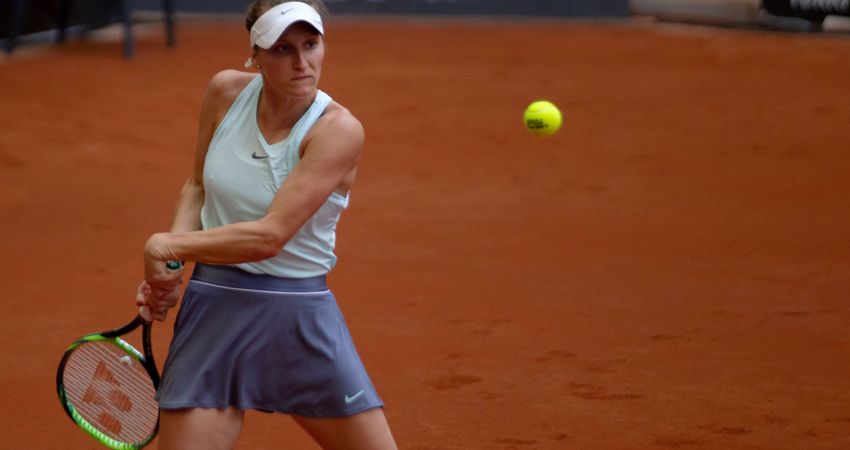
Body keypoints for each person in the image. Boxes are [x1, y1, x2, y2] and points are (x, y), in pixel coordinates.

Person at [134, 1, 397, 448]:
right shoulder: (224, 93)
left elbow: (269, 237)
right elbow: (197, 184)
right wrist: (175, 263)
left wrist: (166, 246)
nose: (301, 63)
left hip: (296, 319)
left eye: (311, 45)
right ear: (254, 55)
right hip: (214, 311)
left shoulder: (338, 130)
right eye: (282, 50)